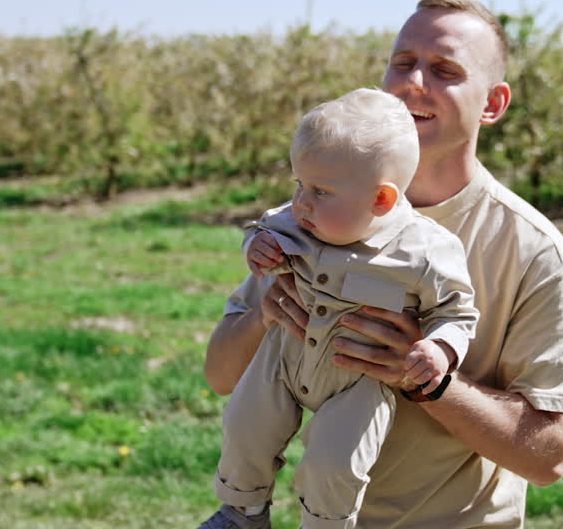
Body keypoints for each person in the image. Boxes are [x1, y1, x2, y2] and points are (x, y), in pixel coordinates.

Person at [206, 0, 563, 528]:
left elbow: (550, 455)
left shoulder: (531, 250)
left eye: (445, 69)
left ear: (493, 104)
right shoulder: (323, 208)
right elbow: (222, 377)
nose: (414, 83)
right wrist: (267, 315)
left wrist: (428, 380)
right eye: (403, 63)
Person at [198, 88, 478, 529]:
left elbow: (457, 312)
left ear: (380, 200)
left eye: (320, 191)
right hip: (284, 357)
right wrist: (257, 247)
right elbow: (262, 228)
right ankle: (242, 512)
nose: (301, 202)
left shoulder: (424, 252)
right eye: (298, 184)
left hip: (358, 377)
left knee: (337, 462)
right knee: (245, 425)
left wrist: (439, 349)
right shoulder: (296, 220)